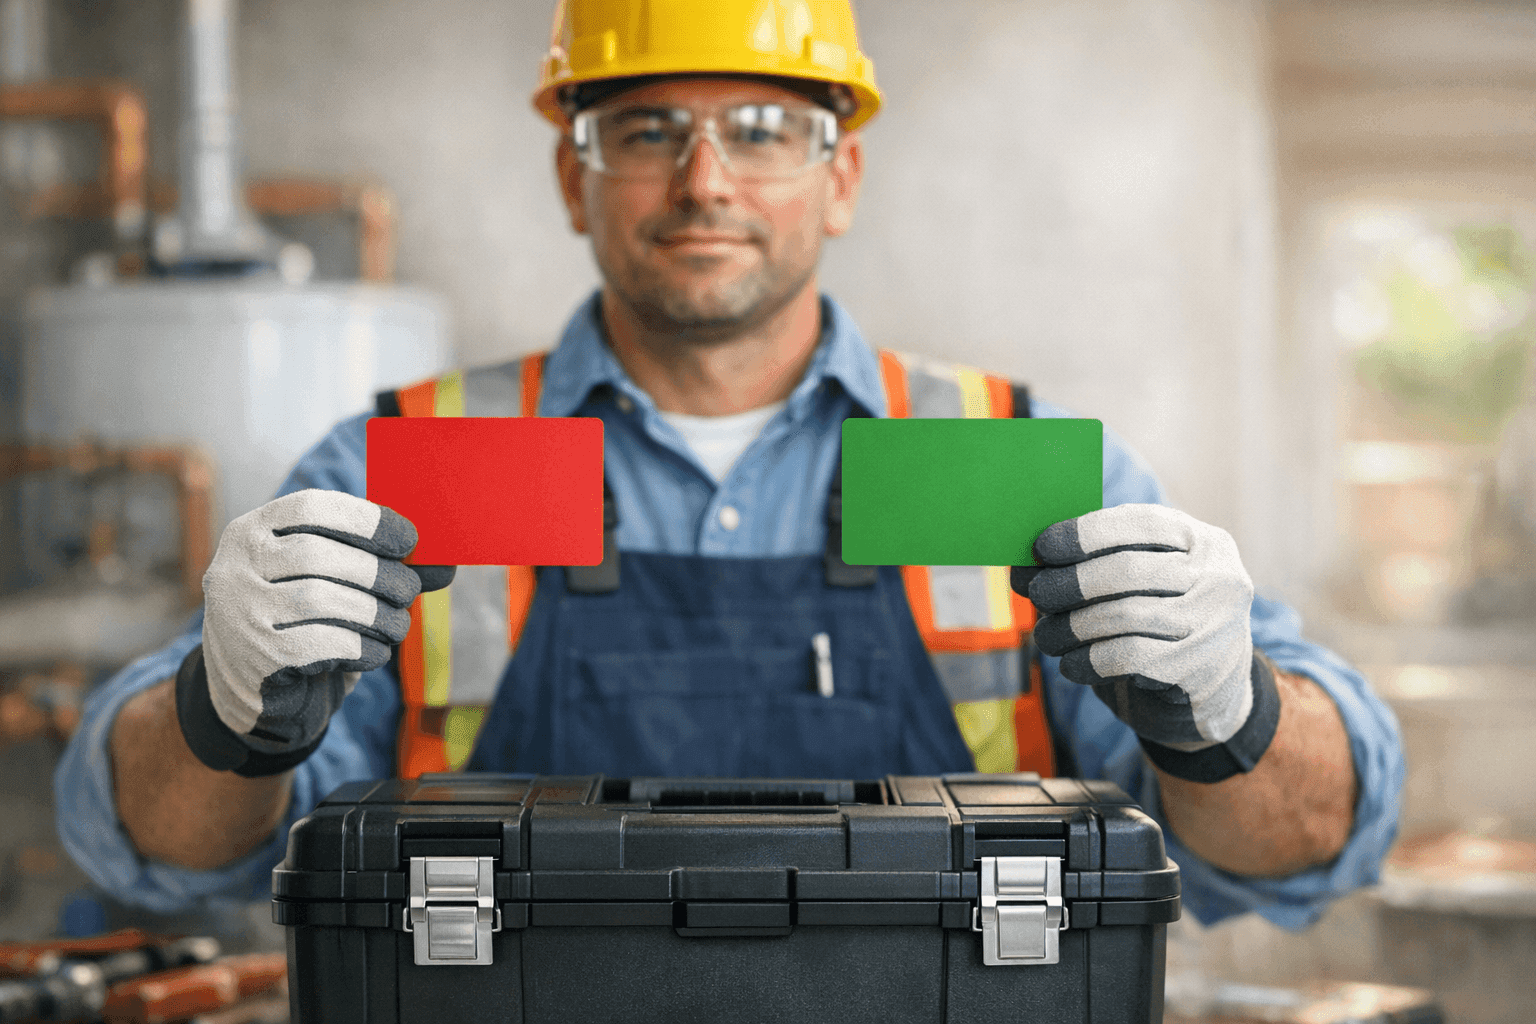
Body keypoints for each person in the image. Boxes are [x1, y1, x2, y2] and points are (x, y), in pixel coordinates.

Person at [57, 0, 1401, 929]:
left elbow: (1302, 848)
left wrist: (1233, 718)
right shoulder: (414, 464)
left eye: (762, 128)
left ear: (844, 174)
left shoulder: (1011, 464)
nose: (705, 181)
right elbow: (169, 851)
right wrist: (217, 715)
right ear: (574, 181)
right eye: (645, 131)